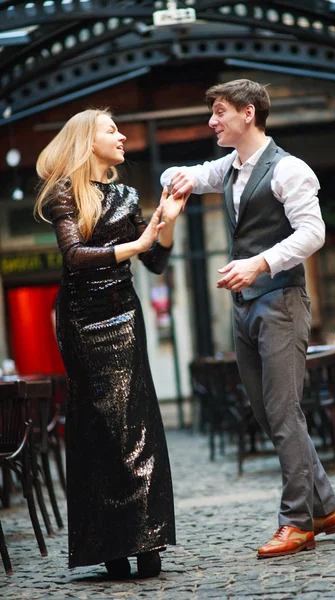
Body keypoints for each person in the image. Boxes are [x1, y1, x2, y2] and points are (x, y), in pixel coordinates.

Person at [161, 79, 335, 559]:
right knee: (270, 415)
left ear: (248, 113)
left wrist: (259, 263)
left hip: (281, 300)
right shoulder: (232, 166)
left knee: (285, 413)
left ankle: (297, 523)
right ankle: (325, 506)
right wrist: (175, 177)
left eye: (219, 112)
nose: (211, 121)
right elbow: (194, 174)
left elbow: (314, 234)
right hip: (246, 307)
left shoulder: (290, 169)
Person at [35, 108, 182, 578]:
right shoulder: (64, 192)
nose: (121, 136)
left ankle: (147, 539)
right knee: (99, 426)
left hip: (126, 315)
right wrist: (137, 245)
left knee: (137, 421)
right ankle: (110, 545)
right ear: (86, 141)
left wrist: (168, 223)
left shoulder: (125, 194)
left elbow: (156, 262)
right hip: (83, 319)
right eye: (111, 130)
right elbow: (75, 256)